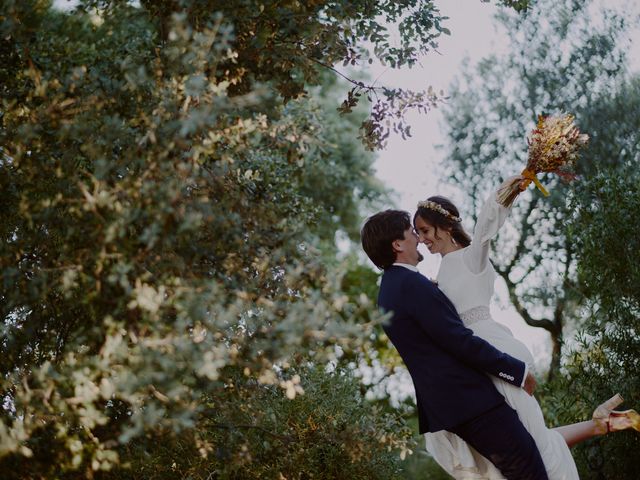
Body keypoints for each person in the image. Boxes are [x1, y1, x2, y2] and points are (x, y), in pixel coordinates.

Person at [414, 175, 640, 479]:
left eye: (425, 230)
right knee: (523, 444)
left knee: (529, 445)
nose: (422, 239)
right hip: (470, 360)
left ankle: (604, 424)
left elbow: (485, 224)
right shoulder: (439, 276)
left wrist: (517, 183)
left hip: (493, 353)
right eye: (418, 233)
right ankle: (605, 423)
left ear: (447, 225)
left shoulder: (471, 258)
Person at [361, 209, 549, 480]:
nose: (418, 237)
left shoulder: (391, 289)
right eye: (411, 232)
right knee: (527, 470)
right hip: (470, 401)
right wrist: (515, 371)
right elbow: (458, 340)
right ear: (397, 244)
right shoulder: (410, 285)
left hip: (454, 405)